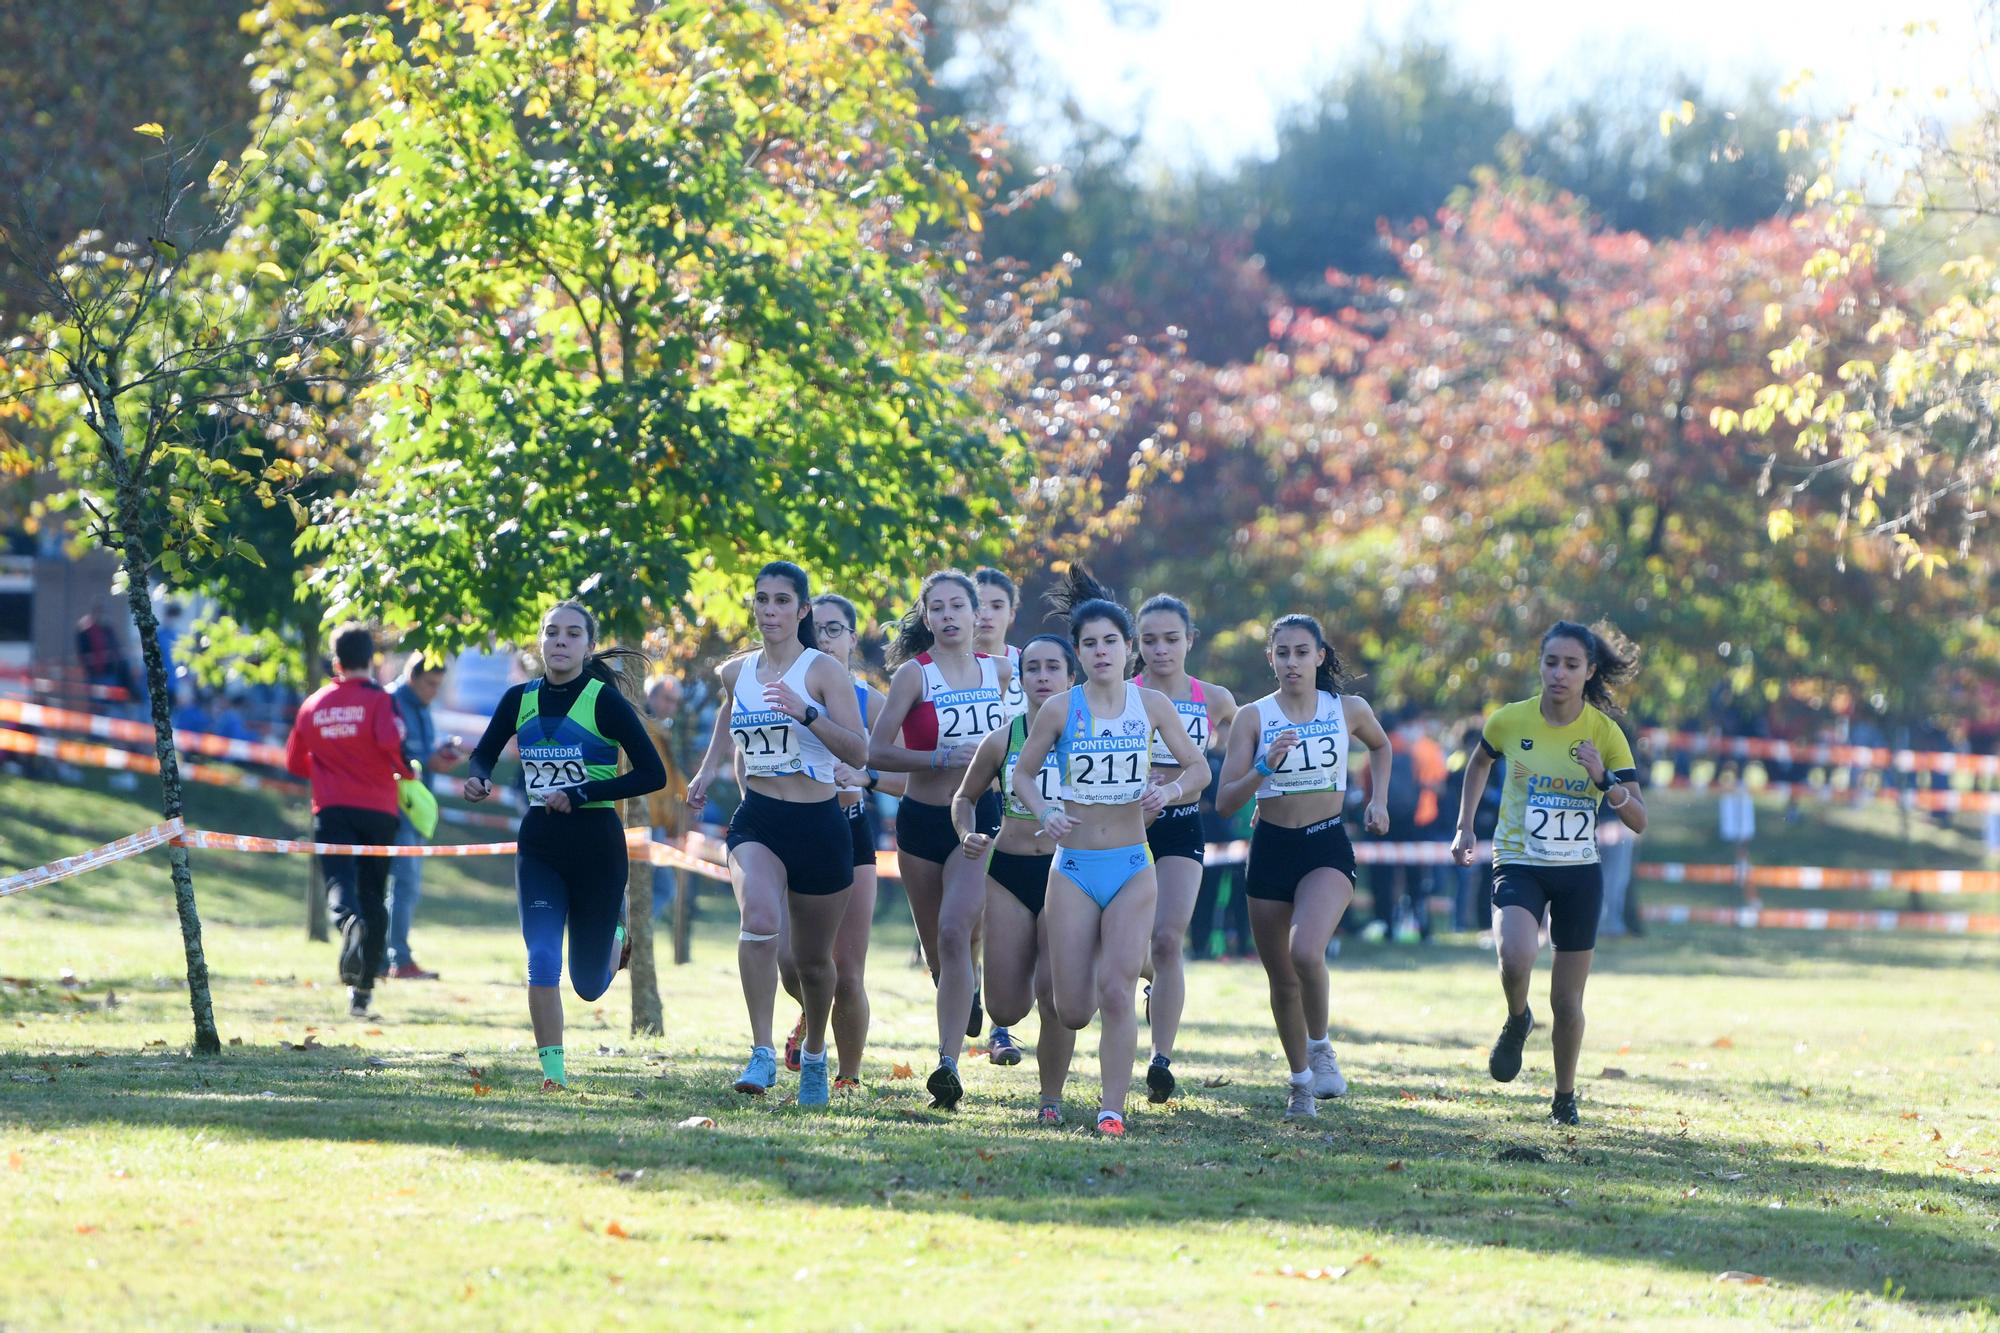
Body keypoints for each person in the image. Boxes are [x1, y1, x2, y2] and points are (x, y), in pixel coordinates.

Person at [1009, 567, 1208, 1136]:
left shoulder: (1151, 706)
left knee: (1118, 992)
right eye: (1090, 644)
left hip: (1131, 865)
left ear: (1128, 650)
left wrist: (1166, 791)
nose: (1101, 652)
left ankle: (1111, 1109)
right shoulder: (1059, 709)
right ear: (1078, 653)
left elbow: (1197, 769)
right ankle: (1100, 955)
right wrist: (1045, 810)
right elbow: (1023, 775)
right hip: (1072, 868)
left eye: (1111, 642)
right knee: (1072, 1008)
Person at [1451, 620, 1647, 1127]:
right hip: (1519, 860)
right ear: (1540, 665)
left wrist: (1603, 780)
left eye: (1571, 665)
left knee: (1567, 1000)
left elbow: (1638, 819)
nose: (1559, 674)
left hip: (1578, 873)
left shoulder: (1605, 734)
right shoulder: (1509, 721)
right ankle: (1517, 1019)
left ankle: (1564, 1098)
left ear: (1589, 672)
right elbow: (1478, 764)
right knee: (1515, 957)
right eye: (1551, 663)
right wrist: (1465, 827)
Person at [463, 603, 665, 1091]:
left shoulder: (603, 701)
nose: (560, 641)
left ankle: (618, 934)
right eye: (552, 632)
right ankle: (553, 1075)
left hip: (598, 847)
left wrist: (581, 793)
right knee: (542, 957)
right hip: (540, 848)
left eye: (573, 634)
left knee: (589, 985)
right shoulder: (519, 699)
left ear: (587, 646)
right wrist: (477, 777)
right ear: (540, 641)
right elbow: (484, 752)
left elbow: (652, 774)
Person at [688, 562, 869, 1107]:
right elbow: (729, 713)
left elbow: (859, 751)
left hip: (819, 824)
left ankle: (814, 1054)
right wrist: (707, 767)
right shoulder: (735, 671)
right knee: (760, 920)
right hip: (758, 818)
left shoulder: (822, 671)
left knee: (815, 966)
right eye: (762, 600)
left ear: (802, 610)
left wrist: (807, 713)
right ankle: (762, 1051)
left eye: (782, 601)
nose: (770, 610)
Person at [1215, 615, 1391, 1120]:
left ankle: (1320, 1046)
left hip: (1325, 846)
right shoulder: (1253, 717)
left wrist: (1378, 802)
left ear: (1319, 656)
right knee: (1281, 979)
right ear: (1270, 659)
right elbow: (1226, 801)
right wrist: (1264, 766)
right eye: (1282, 653)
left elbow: (1381, 746)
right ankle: (1300, 1085)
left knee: (1306, 951)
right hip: (1271, 849)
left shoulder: (1348, 709)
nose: (1292, 662)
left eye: (1301, 652)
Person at [866, 569, 1013, 1109]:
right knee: (938, 948)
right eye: (938, 608)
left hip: (979, 818)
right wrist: (934, 757)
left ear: (978, 616)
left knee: (956, 932)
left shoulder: (1003, 673)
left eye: (959, 606)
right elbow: (875, 752)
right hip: (921, 822)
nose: (949, 616)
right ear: (926, 618)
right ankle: (961, 990)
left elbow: (1045, 726)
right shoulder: (913, 676)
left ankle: (947, 1065)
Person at [772, 593, 907, 1090]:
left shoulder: (871, 701)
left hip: (849, 833)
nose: (824, 639)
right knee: (792, 964)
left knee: (847, 970)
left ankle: (847, 1078)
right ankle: (811, 1013)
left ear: (854, 637)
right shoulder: (780, 691)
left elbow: (912, 779)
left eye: (835, 630)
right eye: (817, 630)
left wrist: (867, 779)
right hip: (793, 831)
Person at [951, 633, 1082, 1124]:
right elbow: (963, 798)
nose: (1043, 677)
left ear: (1072, 677)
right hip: (1007, 870)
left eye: (1053, 668)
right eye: (1033, 669)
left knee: (1054, 996)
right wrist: (967, 833)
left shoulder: (1091, 734)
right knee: (1006, 1008)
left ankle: (1051, 1100)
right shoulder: (1005, 737)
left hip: (1065, 871)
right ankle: (1021, 968)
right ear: (1021, 678)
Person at [1133, 593, 1239, 1103]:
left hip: (1181, 826)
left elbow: (1247, 746)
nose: (1161, 649)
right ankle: (1152, 978)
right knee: (1133, 946)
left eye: (1171, 639)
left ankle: (1161, 1060)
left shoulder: (1213, 699)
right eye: (1149, 640)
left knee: (1169, 940)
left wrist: (1257, 790)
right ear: (1136, 644)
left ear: (1190, 640)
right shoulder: (1120, 692)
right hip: (1123, 829)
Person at [285, 624, 417, 1020]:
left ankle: (346, 922)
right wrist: (407, 772)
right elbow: (391, 745)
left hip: (331, 808)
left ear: (337, 661)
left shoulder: (314, 704)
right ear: (371, 659)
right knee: (375, 895)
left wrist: (330, 768)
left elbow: (294, 762)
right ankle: (362, 994)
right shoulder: (379, 701)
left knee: (340, 881)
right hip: (378, 810)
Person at [973, 566, 1028, 1060]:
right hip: (965, 796)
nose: (985, 614)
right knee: (961, 923)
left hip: (1020, 805)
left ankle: (1000, 1027)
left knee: (996, 914)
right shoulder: (947, 667)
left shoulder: (1032, 665)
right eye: (978, 604)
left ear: (1013, 612)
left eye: (996, 605)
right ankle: (965, 983)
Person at [386, 655, 465, 980]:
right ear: (411, 677)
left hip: (417, 811)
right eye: (429, 683)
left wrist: (440, 753)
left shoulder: (422, 707)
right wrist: (429, 760)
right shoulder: (390, 703)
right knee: (403, 885)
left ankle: (389, 957)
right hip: (396, 809)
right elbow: (395, 755)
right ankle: (397, 960)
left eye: (439, 685)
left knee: (406, 887)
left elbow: (421, 754)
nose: (434, 691)